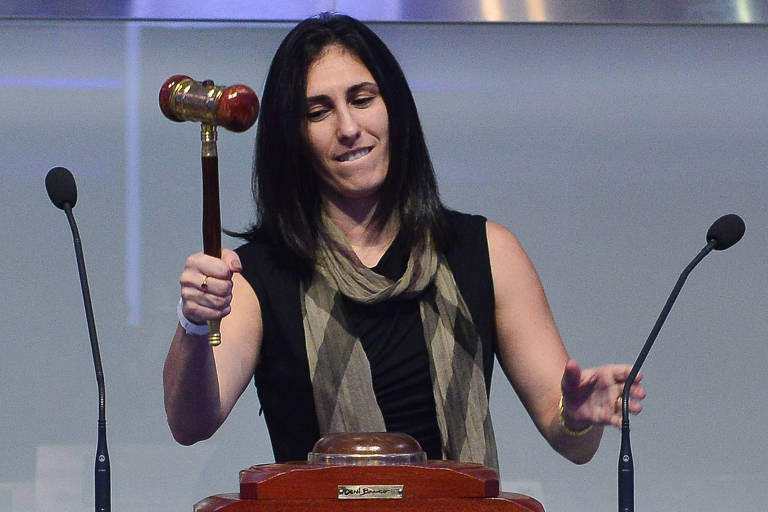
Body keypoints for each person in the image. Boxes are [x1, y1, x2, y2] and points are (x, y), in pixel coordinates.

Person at [163, 13, 645, 470]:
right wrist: (194, 323)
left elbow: (568, 438)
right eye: (319, 111)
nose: (349, 128)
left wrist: (580, 416)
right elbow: (190, 424)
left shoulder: (485, 250)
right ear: (293, 136)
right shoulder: (259, 275)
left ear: (394, 108)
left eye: (362, 98)